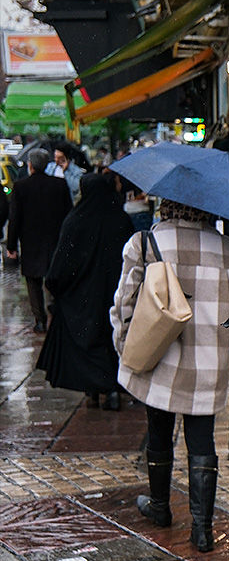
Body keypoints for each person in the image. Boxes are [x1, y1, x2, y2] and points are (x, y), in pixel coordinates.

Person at [110, 199, 229, 552]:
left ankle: (160, 507)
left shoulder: (146, 242)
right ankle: (202, 530)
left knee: (158, 430)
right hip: (208, 362)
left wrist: (123, 343)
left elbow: (124, 302)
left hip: (160, 357)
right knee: (202, 442)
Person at [37, 174, 134, 410]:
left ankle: (93, 389)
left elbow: (60, 265)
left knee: (88, 339)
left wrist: (55, 286)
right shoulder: (120, 220)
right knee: (112, 339)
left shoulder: (75, 221)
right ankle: (112, 388)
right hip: (114, 293)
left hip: (82, 297)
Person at [5, 148, 73, 332]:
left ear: (30, 166)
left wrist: (11, 246)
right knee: (55, 278)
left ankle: (40, 319)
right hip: (56, 241)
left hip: (31, 242)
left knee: (33, 282)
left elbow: (15, 219)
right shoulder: (59, 185)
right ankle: (56, 314)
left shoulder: (21, 187)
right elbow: (69, 215)